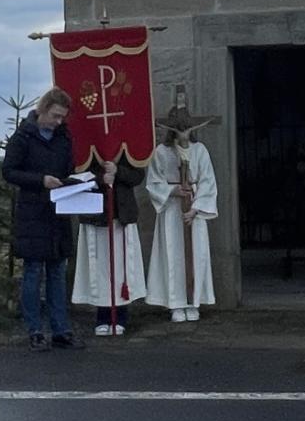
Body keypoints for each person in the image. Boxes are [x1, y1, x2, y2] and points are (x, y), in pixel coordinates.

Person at [2, 88, 78, 351]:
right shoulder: (22, 137)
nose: (59, 122)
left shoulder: (63, 137)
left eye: (62, 118)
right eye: (55, 116)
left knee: (57, 272)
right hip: (33, 212)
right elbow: (9, 171)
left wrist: (72, 182)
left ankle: (61, 330)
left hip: (58, 211)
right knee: (33, 272)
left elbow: (69, 167)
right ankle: (35, 330)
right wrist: (40, 180)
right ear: (42, 110)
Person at [145, 91, 219, 322]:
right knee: (172, 254)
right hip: (170, 210)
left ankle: (193, 300)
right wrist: (173, 191)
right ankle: (176, 303)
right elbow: (153, 181)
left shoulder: (200, 151)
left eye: (187, 128)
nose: (183, 132)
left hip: (192, 210)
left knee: (196, 253)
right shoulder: (161, 152)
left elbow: (208, 181)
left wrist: (196, 209)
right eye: (179, 128)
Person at [72, 153, 146, 336]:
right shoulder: (88, 145)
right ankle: (102, 316)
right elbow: (75, 173)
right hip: (97, 214)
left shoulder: (126, 147)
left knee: (121, 268)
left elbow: (137, 175)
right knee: (100, 268)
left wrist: (117, 171)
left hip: (121, 215)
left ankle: (120, 316)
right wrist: (100, 178)